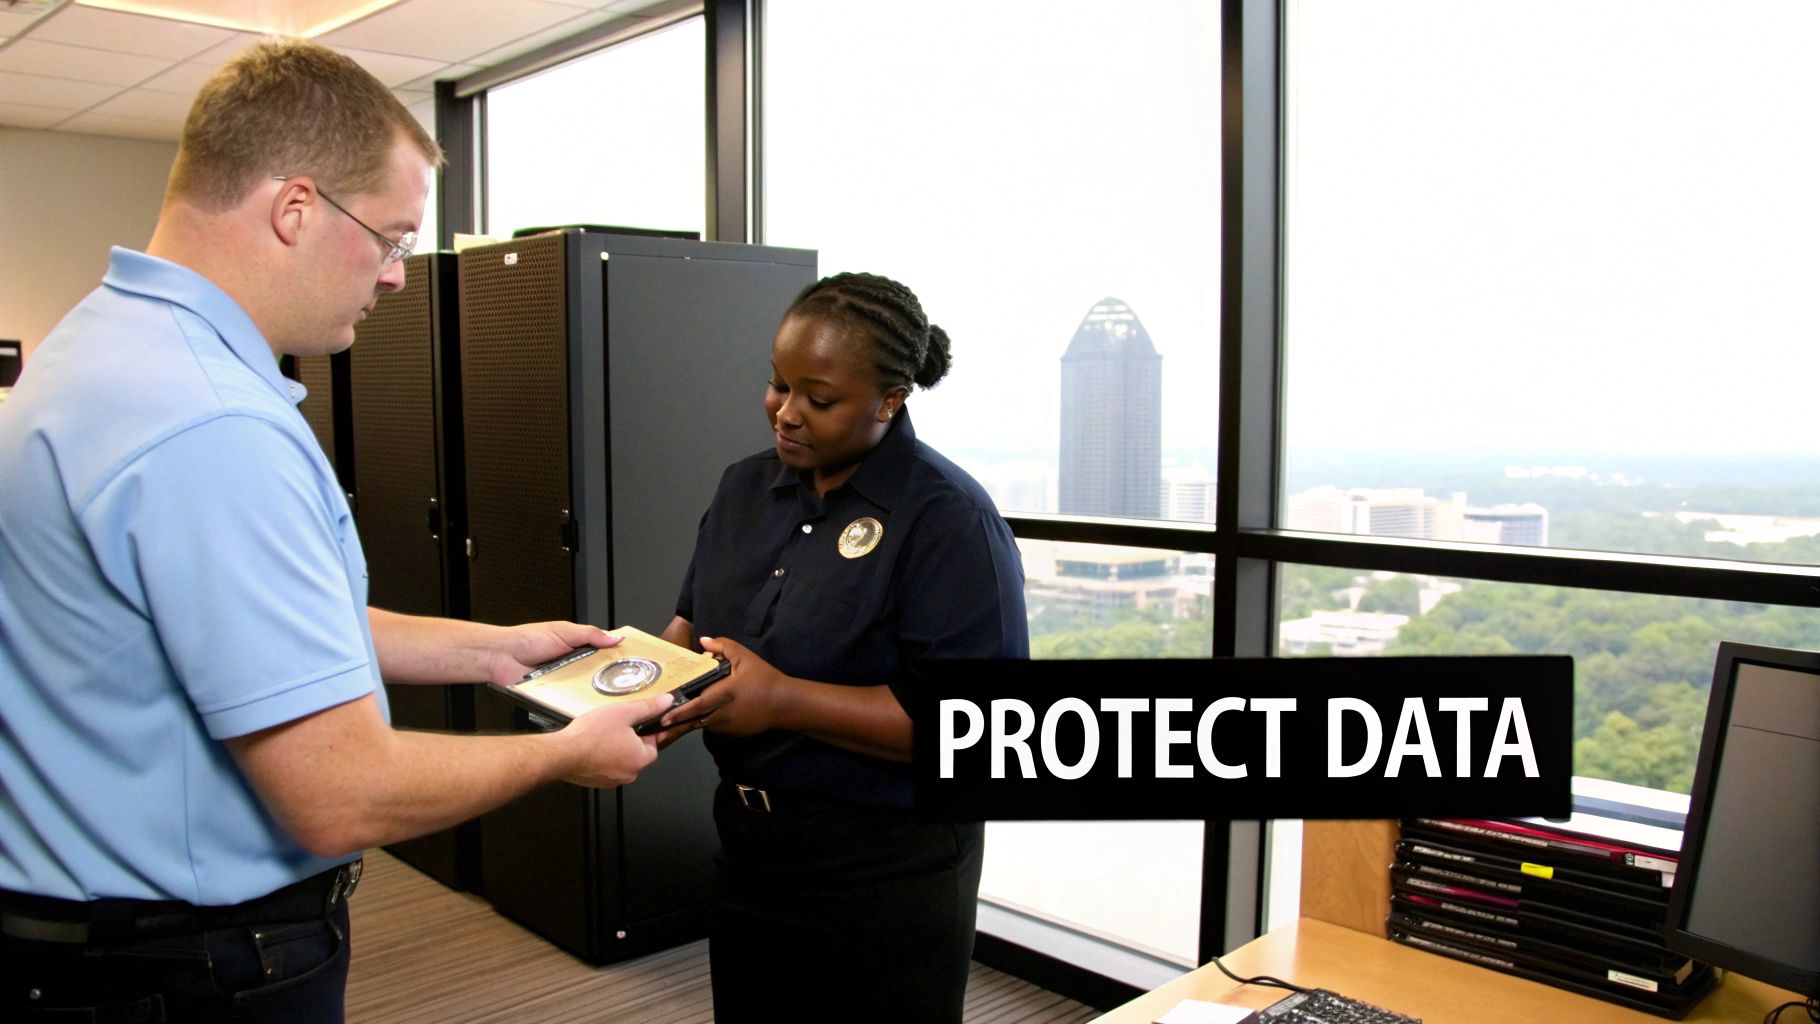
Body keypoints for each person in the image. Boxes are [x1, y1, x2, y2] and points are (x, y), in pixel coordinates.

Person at [0, 40, 668, 1023]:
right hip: (186, 968)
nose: (399, 276)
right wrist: (567, 753)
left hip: (80, 941)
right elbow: (340, 792)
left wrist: (494, 651)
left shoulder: (100, 347)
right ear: (296, 209)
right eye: (392, 238)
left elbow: (251, 638)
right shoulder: (211, 422)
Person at [652, 272, 1030, 1022]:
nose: (786, 415)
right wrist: (632, 690)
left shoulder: (948, 520)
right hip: (750, 851)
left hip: (884, 874)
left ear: (890, 401)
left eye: (818, 400)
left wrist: (780, 699)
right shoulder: (741, 489)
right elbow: (689, 626)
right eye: (776, 385)